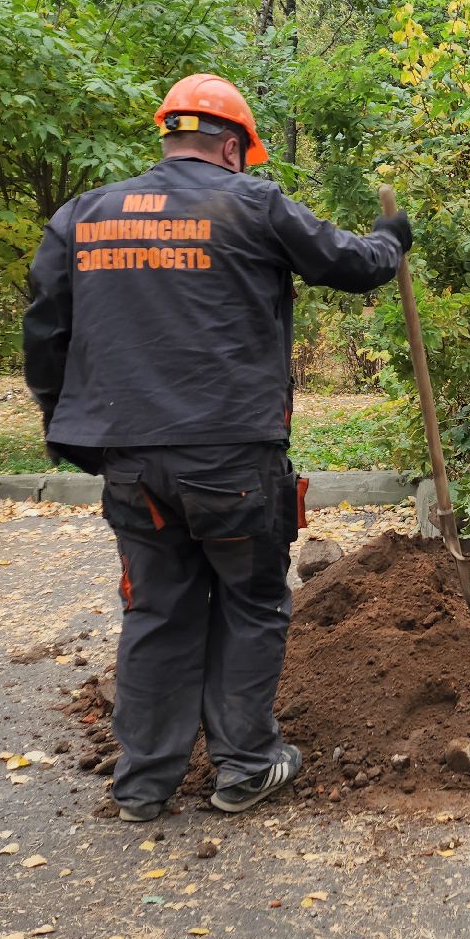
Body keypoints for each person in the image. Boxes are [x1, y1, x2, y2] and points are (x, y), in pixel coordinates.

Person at [23, 73, 412, 821]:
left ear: (170, 137)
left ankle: (143, 785)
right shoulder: (252, 203)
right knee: (252, 599)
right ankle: (244, 765)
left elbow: (46, 331)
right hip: (232, 456)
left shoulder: (84, 215)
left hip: (132, 460)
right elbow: (352, 265)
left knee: (157, 611)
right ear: (233, 147)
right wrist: (391, 239)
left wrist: (68, 429)